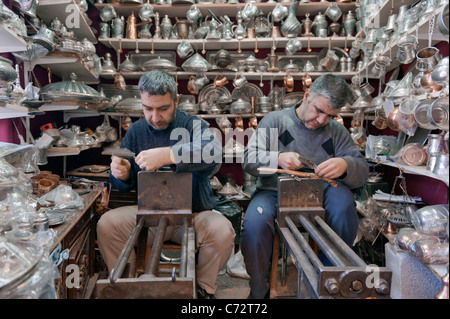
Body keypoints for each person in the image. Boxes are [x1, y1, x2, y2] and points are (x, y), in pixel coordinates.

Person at [97, 70, 235, 299]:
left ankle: (201, 290)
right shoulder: (136, 130)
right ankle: (129, 285)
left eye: (163, 108)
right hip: (147, 217)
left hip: (192, 216)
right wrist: (120, 174)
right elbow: (124, 182)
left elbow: (213, 154)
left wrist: (170, 154)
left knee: (222, 230)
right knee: (107, 224)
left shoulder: (193, 125)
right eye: (147, 109)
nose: (154, 117)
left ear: (176, 100)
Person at [241, 74, 369, 299]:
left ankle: (329, 283)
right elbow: (249, 159)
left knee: (343, 204)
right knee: (254, 223)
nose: (321, 120)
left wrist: (345, 165)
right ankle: (259, 291)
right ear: (307, 95)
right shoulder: (275, 120)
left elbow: (361, 171)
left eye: (330, 115)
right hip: (274, 190)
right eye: (319, 110)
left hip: (320, 191)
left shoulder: (336, 132)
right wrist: (277, 158)